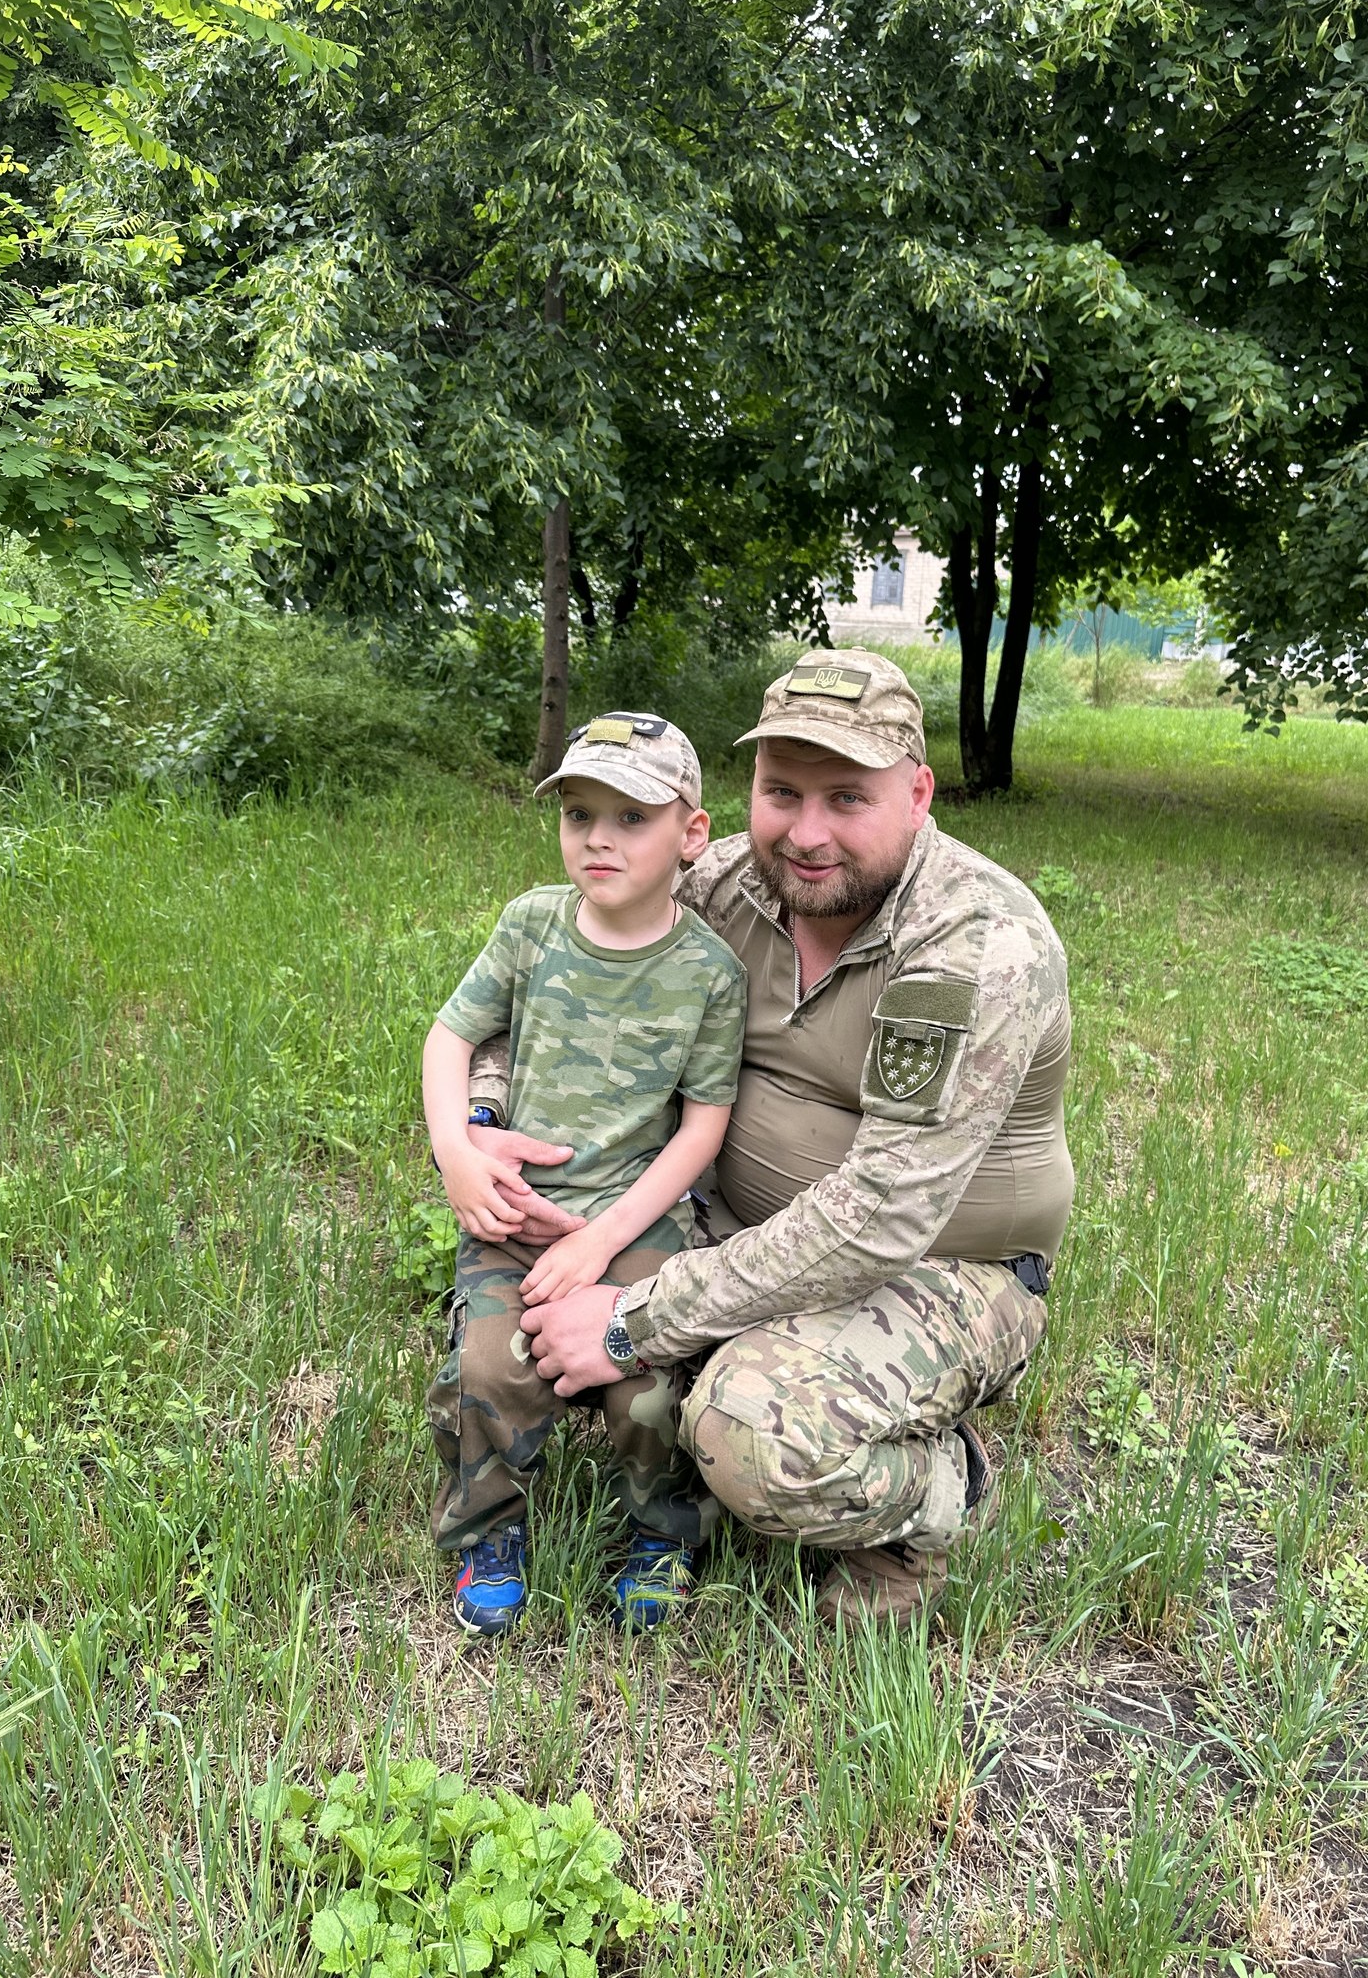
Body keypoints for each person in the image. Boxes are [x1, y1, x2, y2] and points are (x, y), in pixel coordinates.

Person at [474, 647, 1075, 1627]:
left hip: (940, 1265)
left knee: (747, 1428)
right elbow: (547, 977)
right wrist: (484, 1118)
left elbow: (881, 1217)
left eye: (848, 798)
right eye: (781, 792)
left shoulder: (975, 944)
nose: (807, 832)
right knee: (525, 1316)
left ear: (918, 795)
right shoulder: (723, 884)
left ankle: (937, 1491)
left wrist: (634, 1320)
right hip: (732, 1220)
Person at [422, 712, 746, 1637]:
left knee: (645, 1385)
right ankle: (488, 1529)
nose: (599, 838)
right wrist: (457, 1152)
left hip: (634, 1219)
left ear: (692, 833)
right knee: (488, 1369)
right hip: (517, 1210)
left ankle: (663, 1533)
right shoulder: (531, 925)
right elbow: (450, 1038)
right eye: (578, 814)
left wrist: (603, 1240)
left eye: (631, 817)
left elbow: (703, 1127)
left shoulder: (710, 973)